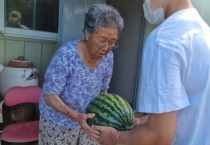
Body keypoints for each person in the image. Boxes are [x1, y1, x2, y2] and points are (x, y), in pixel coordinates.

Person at [91, 0, 210, 145]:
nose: (145, 3)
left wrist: (115, 137)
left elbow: (159, 137)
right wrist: (151, 120)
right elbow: (194, 106)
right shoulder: (204, 33)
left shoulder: (164, 40)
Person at [38, 3, 124, 145]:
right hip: (58, 121)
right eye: (102, 40)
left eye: (112, 42)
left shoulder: (109, 58)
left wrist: (108, 117)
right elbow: (49, 95)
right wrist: (75, 116)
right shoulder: (66, 55)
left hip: (89, 121)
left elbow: (103, 90)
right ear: (87, 34)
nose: (107, 47)